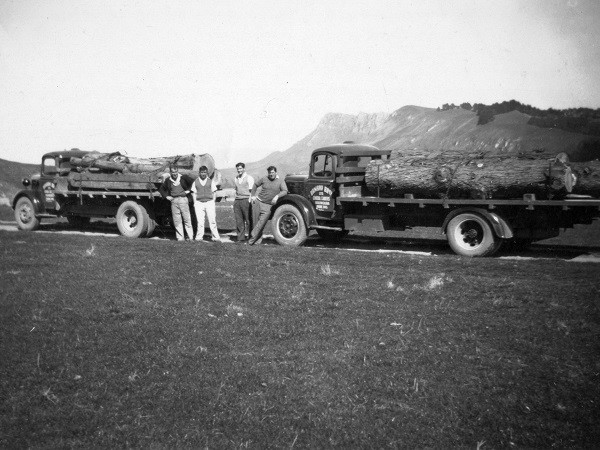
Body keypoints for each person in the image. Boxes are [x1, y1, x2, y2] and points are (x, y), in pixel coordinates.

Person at [248, 166, 288, 245]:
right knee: (255, 223)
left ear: (276, 172)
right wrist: (252, 195)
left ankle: (250, 241)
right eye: (269, 173)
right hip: (258, 202)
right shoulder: (264, 179)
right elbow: (255, 185)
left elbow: (285, 191)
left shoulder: (280, 181)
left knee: (261, 223)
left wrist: (277, 196)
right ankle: (257, 241)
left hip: (268, 206)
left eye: (272, 172)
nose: (271, 174)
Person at [159, 164, 194, 241]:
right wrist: (167, 196)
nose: (174, 174)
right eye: (172, 172)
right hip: (174, 201)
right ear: (170, 172)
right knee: (177, 220)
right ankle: (180, 237)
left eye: (175, 172)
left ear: (177, 171)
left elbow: (193, 183)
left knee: (187, 219)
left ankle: (190, 236)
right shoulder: (168, 180)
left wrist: (188, 190)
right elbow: (161, 189)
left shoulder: (183, 178)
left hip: (183, 200)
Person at [191, 165, 221, 242]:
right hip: (199, 203)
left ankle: (215, 237)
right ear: (199, 173)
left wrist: (212, 202)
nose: (203, 174)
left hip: (209, 202)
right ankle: (199, 237)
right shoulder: (196, 182)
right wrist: (195, 202)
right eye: (202, 172)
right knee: (200, 221)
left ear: (207, 173)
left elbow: (214, 192)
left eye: (204, 172)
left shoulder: (210, 181)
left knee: (212, 220)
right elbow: (194, 193)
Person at [233, 162, 255, 243]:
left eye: (240, 168)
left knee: (248, 220)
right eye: (238, 169)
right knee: (239, 220)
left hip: (246, 200)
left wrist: (250, 201)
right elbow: (236, 190)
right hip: (237, 201)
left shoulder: (249, 178)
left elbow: (251, 191)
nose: (239, 170)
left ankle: (251, 237)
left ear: (244, 169)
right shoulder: (236, 178)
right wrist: (235, 201)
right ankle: (240, 238)